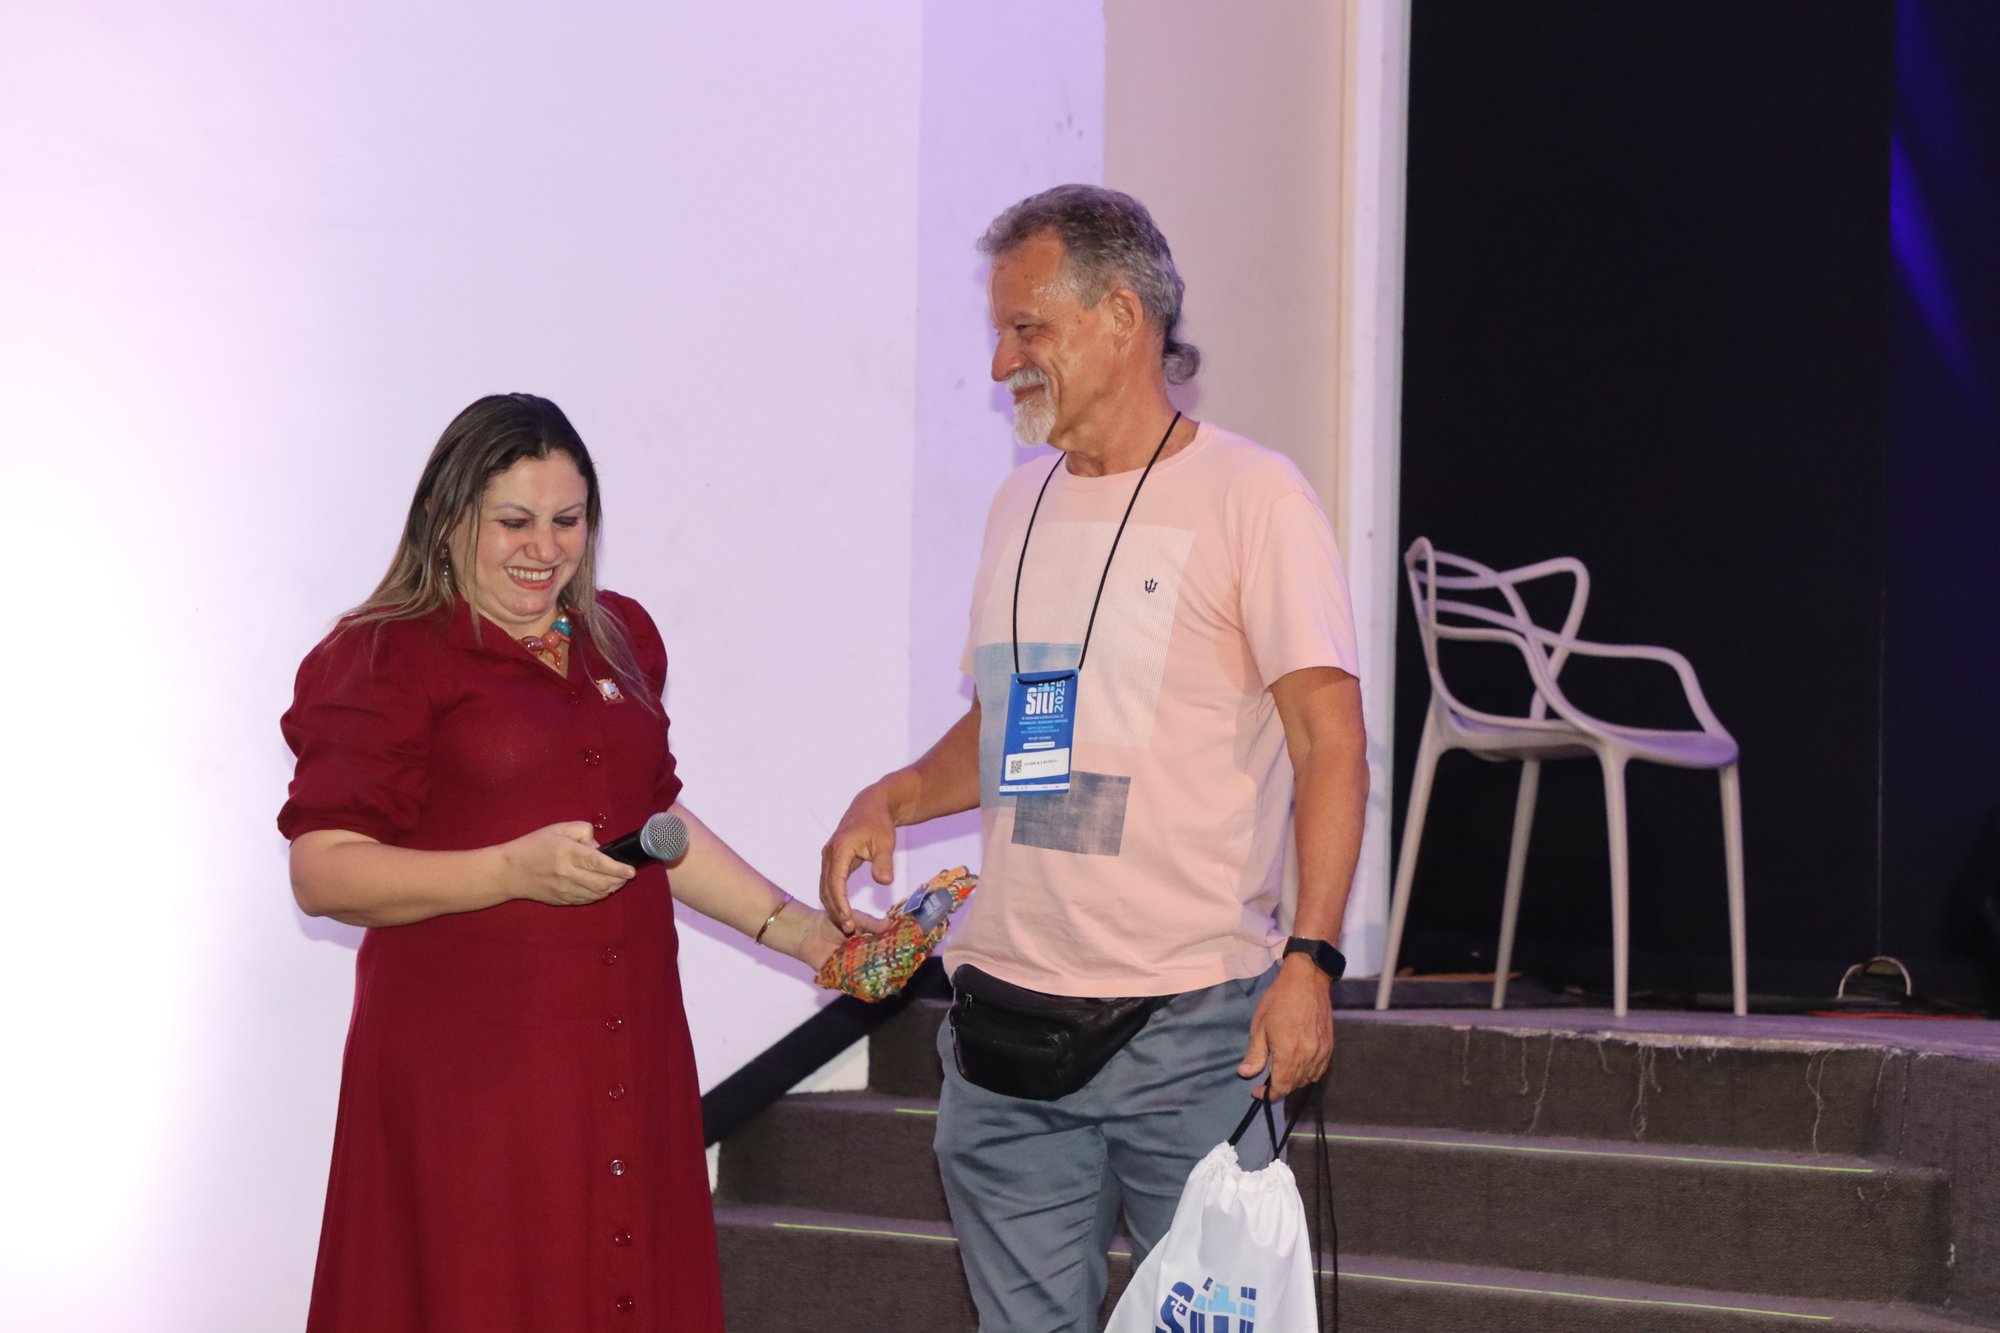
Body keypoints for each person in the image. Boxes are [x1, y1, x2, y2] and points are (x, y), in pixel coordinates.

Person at [820, 185, 1368, 1332]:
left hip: (1194, 1030)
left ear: (1121, 316)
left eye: (1026, 328)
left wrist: (1310, 960)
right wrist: (897, 794)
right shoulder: (1016, 504)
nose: (998, 363)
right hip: (1003, 1029)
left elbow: (1329, 740)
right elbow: (1012, 724)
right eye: (999, 331)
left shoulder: (1251, 495)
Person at [280, 393, 853, 1332]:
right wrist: (509, 870)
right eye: (514, 521)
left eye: (568, 519)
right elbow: (323, 870)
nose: (544, 548)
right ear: (447, 519)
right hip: (474, 1074)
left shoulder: (618, 637)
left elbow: (654, 821)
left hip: (624, 1050)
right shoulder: (384, 654)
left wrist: (800, 933)